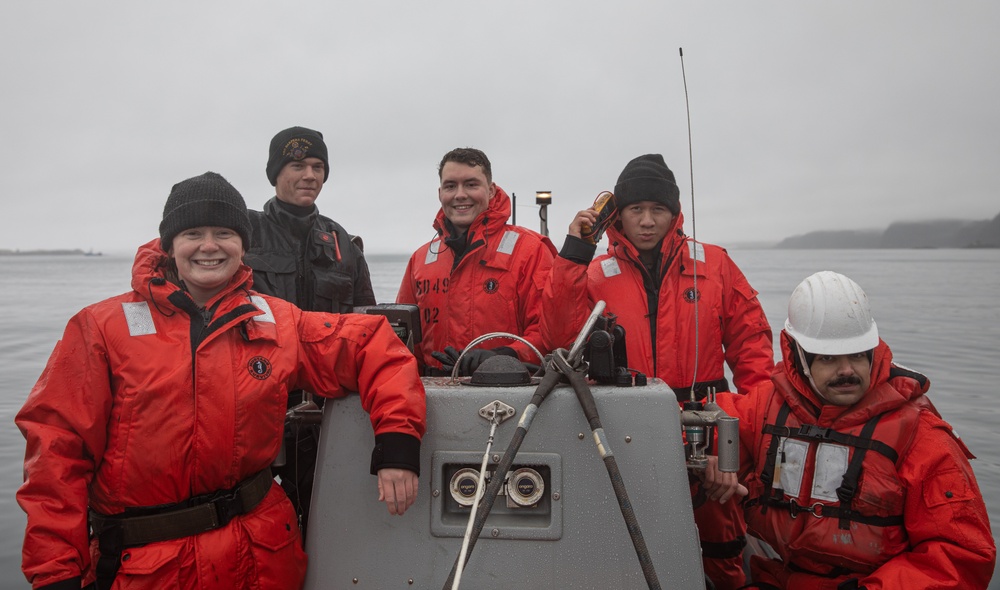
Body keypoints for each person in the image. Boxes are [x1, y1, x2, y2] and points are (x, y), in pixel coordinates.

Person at [16, 172, 425, 590]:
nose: (209, 246)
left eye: (224, 233)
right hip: (143, 568)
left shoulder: (278, 322)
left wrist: (397, 443)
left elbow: (373, 345)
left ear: (244, 246)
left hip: (262, 558)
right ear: (169, 245)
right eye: (193, 232)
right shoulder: (101, 329)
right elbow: (57, 451)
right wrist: (56, 572)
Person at [540, 154, 774, 589]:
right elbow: (557, 338)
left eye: (658, 210)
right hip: (625, 436)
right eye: (635, 210)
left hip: (709, 439)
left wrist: (738, 445)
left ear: (674, 213)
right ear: (617, 215)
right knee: (625, 549)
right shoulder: (591, 272)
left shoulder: (717, 266)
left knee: (722, 551)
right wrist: (573, 253)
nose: (647, 221)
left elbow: (755, 357)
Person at [709, 271, 996, 589]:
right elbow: (702, 425)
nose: (846, 370)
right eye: (829, 358)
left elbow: (959, 557)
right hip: (780, 579)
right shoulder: (765, 408)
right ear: (798, 357)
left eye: (858, 355)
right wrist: (710, 460)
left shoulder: (922, 437)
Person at [244, 126, 377, 533]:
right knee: (256, 518)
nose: (310, 175)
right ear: (274, 172)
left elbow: (367, 327)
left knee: (324, 521)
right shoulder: (242, 234)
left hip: (325, 413)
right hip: (257, 405)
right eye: (297, 165)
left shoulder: (341, 242)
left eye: (318, 167)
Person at [396, 147, 557, 375]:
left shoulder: (531, 251)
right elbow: (401, 339)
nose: (460, 194)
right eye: (451, 186)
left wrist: (503, 356)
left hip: (508, 392)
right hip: (434, 393)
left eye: (471, 184)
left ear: (490, 190)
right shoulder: (420, 260)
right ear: (440, 192)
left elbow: (549, 332)